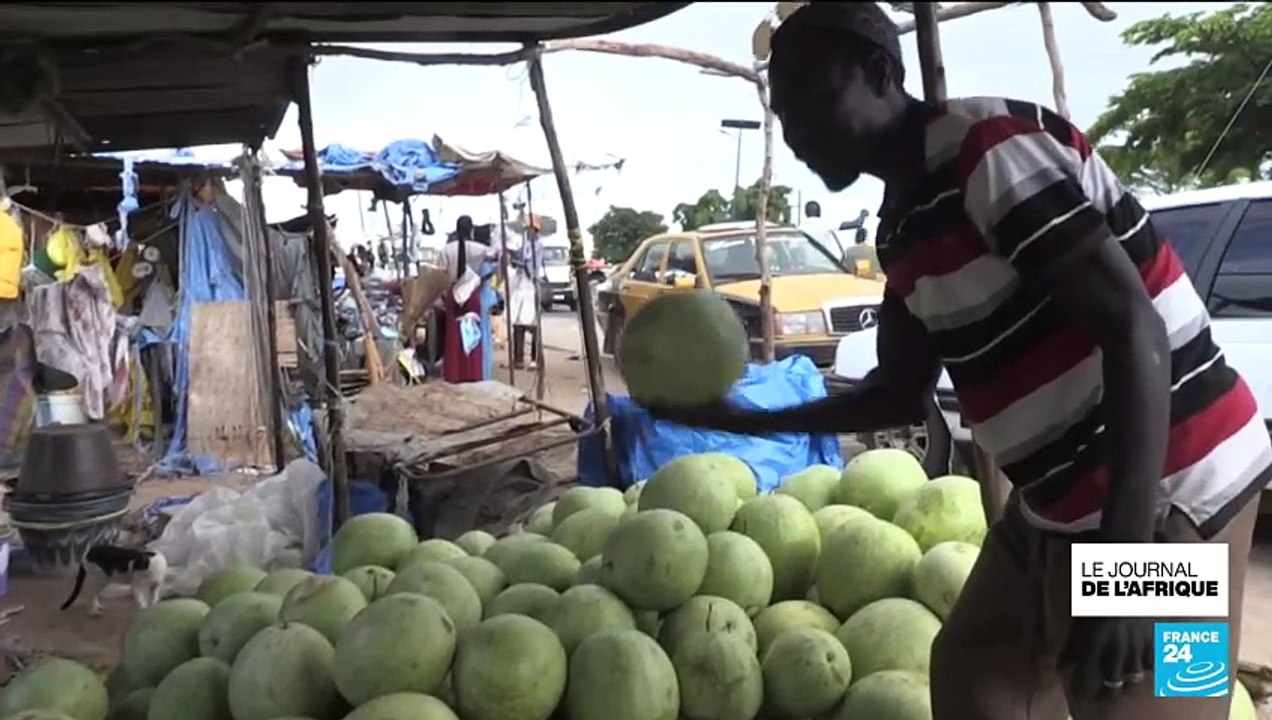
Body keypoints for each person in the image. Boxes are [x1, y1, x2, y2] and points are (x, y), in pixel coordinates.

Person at [646, 4, 1270, 720]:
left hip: (1177, 488)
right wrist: (740, 417)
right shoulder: (903, 225)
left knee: (1138, 696)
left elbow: (1135, 331)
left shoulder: (987, 151)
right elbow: (895, 393)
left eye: (814, 100)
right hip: (1062, 506)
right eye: (784, 117)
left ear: (880, 72)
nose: (798, 136)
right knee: (977, 670)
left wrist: (1134, 569)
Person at [438, 215, 495, 383]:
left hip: (454, 294)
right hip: (472, 295)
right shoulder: (481, 249)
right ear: (471, 230)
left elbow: (440, 275)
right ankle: (473, 373)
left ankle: (454, 374)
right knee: (472, 335)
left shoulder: (446, 250)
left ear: (456, 230)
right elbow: (499, 258)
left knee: (454, 335)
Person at [505, 220, 543, 370]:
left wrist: (520, 261)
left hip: (531, 286)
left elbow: (531, 266)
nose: (529, 232)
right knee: (518, 323)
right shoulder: (524, 244)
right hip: (521, 286)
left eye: (532, 230)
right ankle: (518, 359)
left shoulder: (538, 245)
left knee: (533, 324)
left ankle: (534, 359)